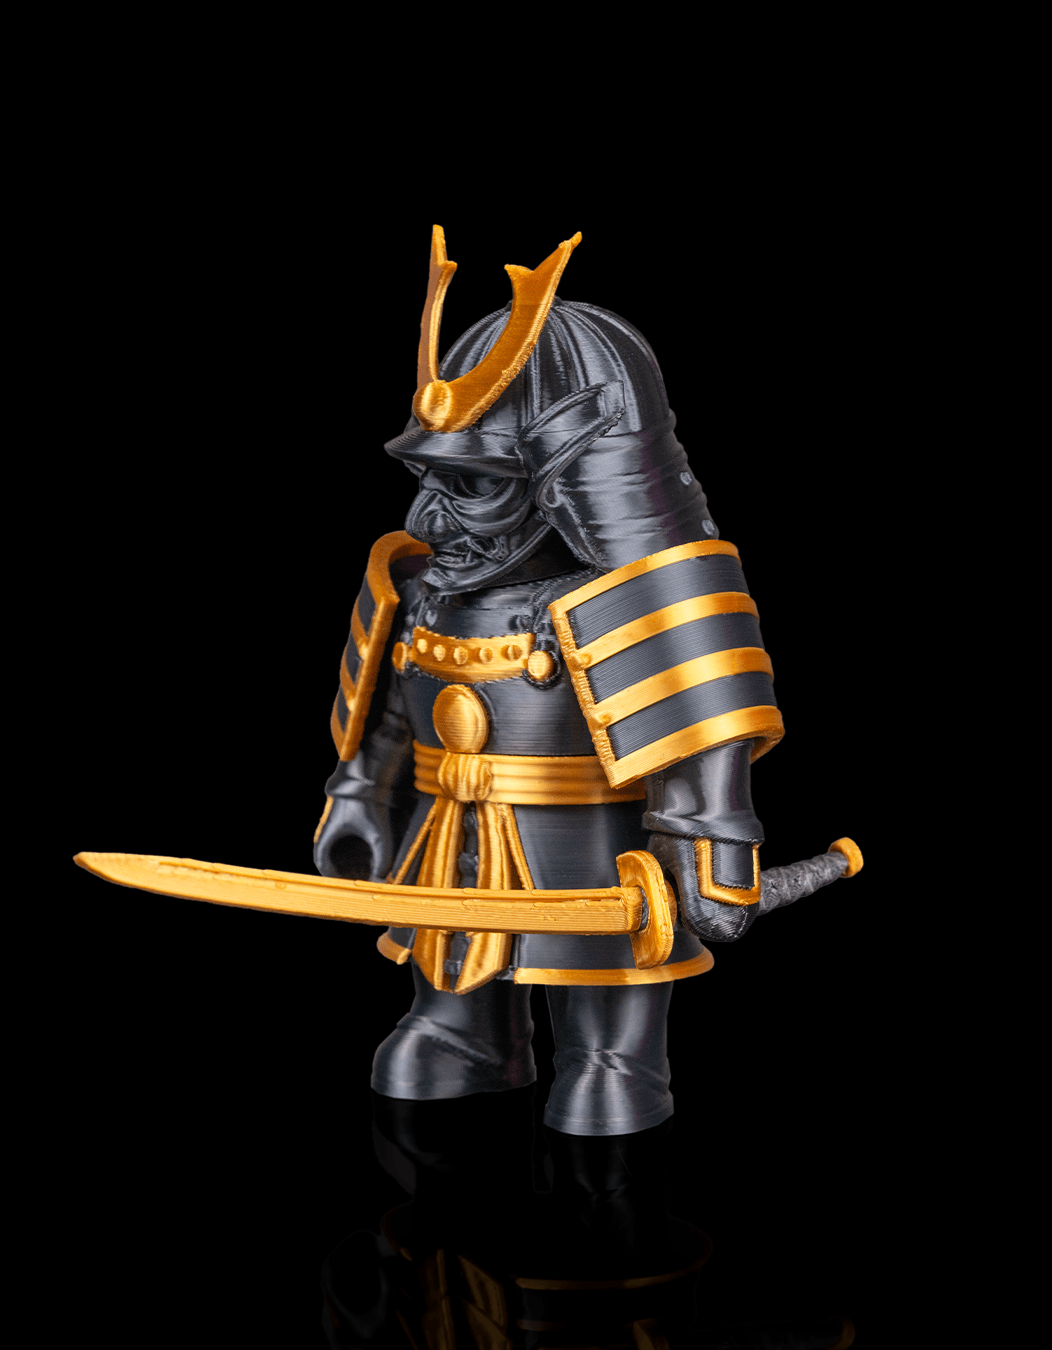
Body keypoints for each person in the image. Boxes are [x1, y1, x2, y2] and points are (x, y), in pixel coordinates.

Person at [314, 228, 782, 1136]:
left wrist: (709, 859)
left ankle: (617, 1055)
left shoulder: (644, 601)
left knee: (602, 1080)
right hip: (445, 837)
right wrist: (361, 794)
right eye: (430, 478)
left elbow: (698, 732)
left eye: (472, 484)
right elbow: (387, 710)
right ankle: (468, 1036)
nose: (431, 517)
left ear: (566, 481)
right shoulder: (417, 587)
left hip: (594, 848)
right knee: (428, 1037)